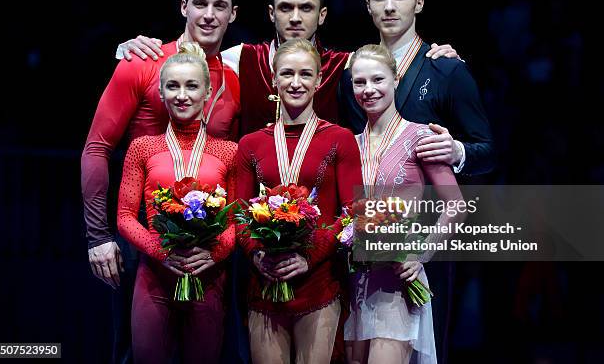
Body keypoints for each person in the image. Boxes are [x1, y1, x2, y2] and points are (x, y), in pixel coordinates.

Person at [337, 0, 495, 363]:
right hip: (361, 251)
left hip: (426, 247)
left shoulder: (446, 69)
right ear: (368, 6)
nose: (389, 6)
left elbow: (488, 150)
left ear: (418, 4)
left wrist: (457, 151)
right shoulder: (352, 72)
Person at [81, 0, 240, 363]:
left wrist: (222, 243)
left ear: (233, 14)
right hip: (143, 226)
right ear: (183, 7)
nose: (209, 15)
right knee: (137, 352)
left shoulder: (232, 80)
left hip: (208, 237)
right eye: (200, 4)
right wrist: (98, 237)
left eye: (219, 6)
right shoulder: (142, 62)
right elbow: (96, 147)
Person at [117, 0, 458, 137]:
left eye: (305, 8)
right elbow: (188, 56)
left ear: (321, 15)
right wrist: (132, 48)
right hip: (251, 209)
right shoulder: (239, 58)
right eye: (286, 8)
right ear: (271, 13)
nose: (295, 17)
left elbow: (399, 65)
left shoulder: (345, 64)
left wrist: (436, 56)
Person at [236, 38, 362, 364]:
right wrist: (258, 254)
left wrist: (310, 256)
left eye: (306, 74)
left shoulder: (341, 139)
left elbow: (353, 211)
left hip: (318, 283)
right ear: (274, 78)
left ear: (319, 80)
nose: (296, 83)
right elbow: (238, 213)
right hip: (265, 282)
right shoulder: (250, 144)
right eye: (287, 74)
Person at [344, 44, 465, 364]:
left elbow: (456, 205)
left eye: (378, 80)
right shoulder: (348, 145)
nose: (368, 90)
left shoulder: (421, 137)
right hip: (354, 283)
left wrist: (421, 253)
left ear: (396, 79)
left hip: (398, 282)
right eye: (359, 82)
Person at [117, 42, 237, 363]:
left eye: (191, 85)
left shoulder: (229, 151)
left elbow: (237, 219)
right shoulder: (142, 148)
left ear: (208, 92)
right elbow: (126, 216)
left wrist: (213, 254)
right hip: (154, 278)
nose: (182, 94)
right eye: (173, 85)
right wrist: (160, 251)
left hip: (207, 278)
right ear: (160, 91)